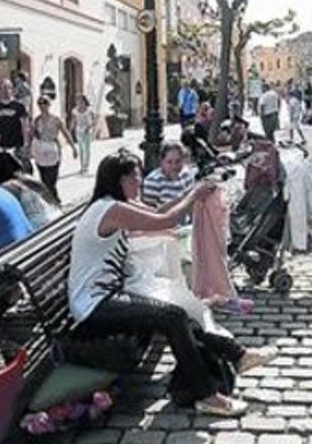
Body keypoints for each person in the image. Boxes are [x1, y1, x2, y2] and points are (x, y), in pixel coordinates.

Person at [68, 151, 275, 416]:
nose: (140, 181)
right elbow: (165, 221)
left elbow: (156, 213)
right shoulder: (111, 209)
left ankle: (238, 356)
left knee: (180, 311)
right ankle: (207, 396)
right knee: (173, 316)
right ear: (118, 179)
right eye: (135, 176)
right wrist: (193, 197)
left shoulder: (114, 204)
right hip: (93, 304)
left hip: (108, 296)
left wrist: (192, 193)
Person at [0, 152, 60, 231]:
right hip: (54, 217)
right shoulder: (28, 178)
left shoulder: (4, 189)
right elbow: (51, 199)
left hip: (36, 227)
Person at [32, 96, 78, 203]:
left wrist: (73, 147)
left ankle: (53, 198)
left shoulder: (56, 119)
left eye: (45, 103)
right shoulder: (37, 120)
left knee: (52, 177)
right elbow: (33, 135)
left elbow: (65, 133)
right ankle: (52, 199)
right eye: (40, 103)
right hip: (41, 150)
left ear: (49, 105)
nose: (43, 106)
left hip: (53, 149)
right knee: (43, 178)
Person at [0, 79, 31, 173]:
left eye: (8, 88)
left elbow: (25, 125)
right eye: (2, 88)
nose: (5, 91)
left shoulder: (19, 107)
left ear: (12, 90)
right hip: (3, 146)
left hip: (17, 146)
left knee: (20, 173)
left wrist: (25, 144)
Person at [142, 143, 196, 209]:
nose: (174, 166)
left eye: (178, 161)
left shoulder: (186, 174)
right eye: (169, 162)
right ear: (162, 161)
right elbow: (150, 211)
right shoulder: (153, 181)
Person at [69, 94, 96, 175]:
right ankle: (82, 166)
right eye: (78, 101)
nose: (80, 102)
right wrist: (70, 129)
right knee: (81, 149)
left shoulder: (89, 110)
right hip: (79, 131)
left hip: (87, 131)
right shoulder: (74, 111)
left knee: (87, 149)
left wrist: (89, 127)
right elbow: (73, 121)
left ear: (85, 101)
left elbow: (94, 121)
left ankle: (86, 166)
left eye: (81, 101)